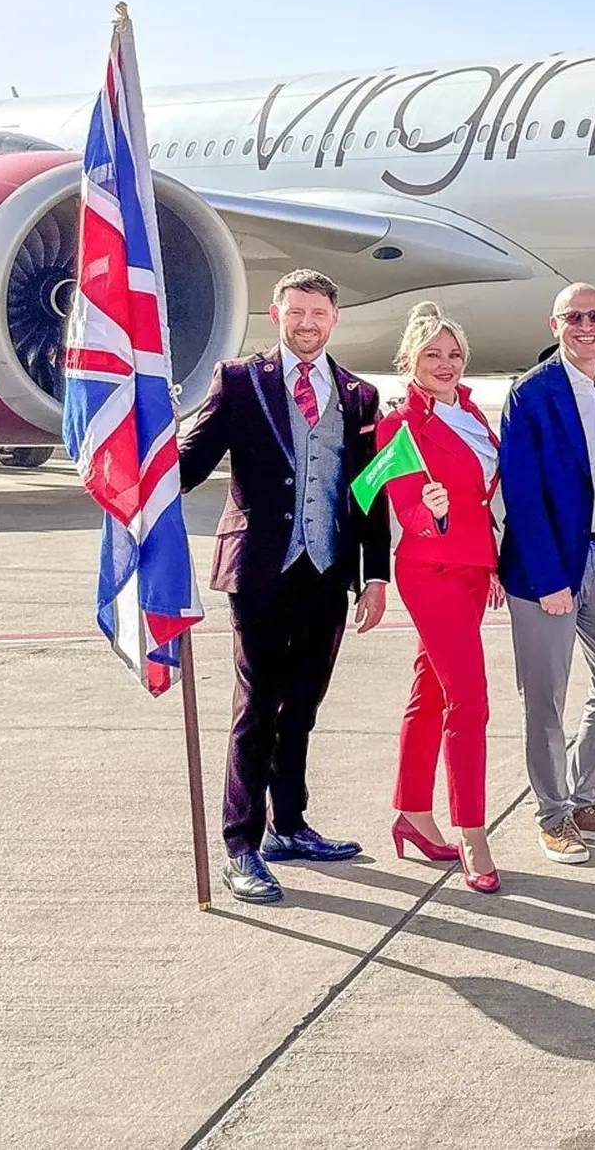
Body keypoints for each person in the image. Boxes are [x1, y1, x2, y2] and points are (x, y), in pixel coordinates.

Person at [179, 268, 389, 905]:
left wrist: (375, 574)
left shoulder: (359, 395)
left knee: (302, 706)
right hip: (260, 570)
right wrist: (142, 455)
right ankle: (241, 845)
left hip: (327, 571)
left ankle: (289, 827)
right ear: (276, 315)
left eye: (318, 313)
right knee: (256, 710)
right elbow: (192, 461)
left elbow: (369, 489)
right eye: (296, 312)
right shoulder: (240, 380)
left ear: (334, 318)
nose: (307, 323)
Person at [498, 283, 595, 865]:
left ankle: (584, 799)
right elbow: (522, 492)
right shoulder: (530, 392)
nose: (587, 326)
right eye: (574, 317)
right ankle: (552, 814)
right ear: (554, 325)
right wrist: (549, 578)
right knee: (546, 698)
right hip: (549, 567)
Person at [378, 303, 505, 894]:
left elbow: (484, 498)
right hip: (432, 569)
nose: (446, 364)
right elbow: (397, 501)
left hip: (474, 568)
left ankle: (411, 812)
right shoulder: (400, 424)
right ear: (411, 359)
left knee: (430, 689)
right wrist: (426, 513)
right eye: (432, 354)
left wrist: (493, 564)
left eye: (454, 354)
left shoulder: (474, 414)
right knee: (470, 700)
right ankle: (472, 831)